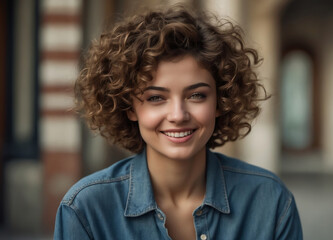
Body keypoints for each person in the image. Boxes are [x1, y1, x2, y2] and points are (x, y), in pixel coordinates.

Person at [54, 5, 302, 240]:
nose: (178, 114)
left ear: (220, 101)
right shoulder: (85, 210)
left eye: (196, 95)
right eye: (156, 98)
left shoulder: (271, 202)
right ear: (130, 107)